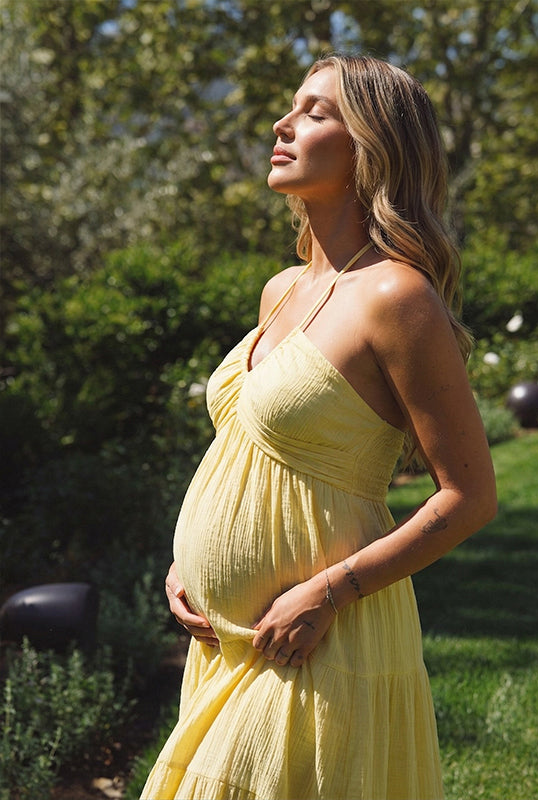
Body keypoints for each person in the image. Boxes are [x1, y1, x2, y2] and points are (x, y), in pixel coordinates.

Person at [141, 54, 497, 800]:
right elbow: (243, 449)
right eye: (291, 106)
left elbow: (468, 496)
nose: (282, 124)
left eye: (315, 112)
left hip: (320, 642)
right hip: (229, 645)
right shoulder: (282, 288)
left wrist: (328, 594)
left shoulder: (396, 296)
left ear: (373, 146)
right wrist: (187, 567)